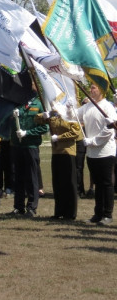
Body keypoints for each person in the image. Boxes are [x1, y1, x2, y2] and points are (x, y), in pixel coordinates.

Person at [77, 84, 117, 225]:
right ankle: (97, 213)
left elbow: (109, 129)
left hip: (105, 151)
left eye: (93, 87)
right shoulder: (88, 106)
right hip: (92, 153)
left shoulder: (107, 107)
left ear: (101, 89)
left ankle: (107, 215)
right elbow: (74, 116)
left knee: (106, 184)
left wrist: (93, 141)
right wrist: (66, 108)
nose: (90, 90)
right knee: (98, 184)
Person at [35, 103, 82, 220]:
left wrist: (59, 137)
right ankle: (59, 211)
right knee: (58, 182)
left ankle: (70, 213)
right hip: (56, 152)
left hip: (68, 152)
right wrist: (47, 114)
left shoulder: (71, 115)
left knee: (69, 183)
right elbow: (37, 119)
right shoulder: (54, 116)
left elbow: (76, 132)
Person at [5, 95, 48, 217]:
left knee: (32, 177)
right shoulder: (16, 104)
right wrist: (11, 116)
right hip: (17, 146)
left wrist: (27, 133)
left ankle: (31, 207)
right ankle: (18, 207)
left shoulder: (38, 105)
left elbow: (45, 127)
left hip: (31, 146)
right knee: (18, 177)